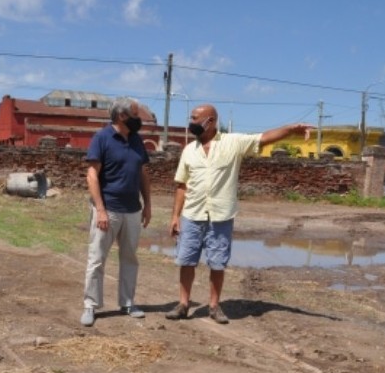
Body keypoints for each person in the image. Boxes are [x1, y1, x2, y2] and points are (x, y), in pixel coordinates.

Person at [165, 104, 312, 324]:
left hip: (220, 216)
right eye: (191, 118)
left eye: (195, 118)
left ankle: (214, 307)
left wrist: (290, 129)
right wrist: (175, 216)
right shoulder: (188, 150)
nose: (191, 122)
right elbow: (181, 186)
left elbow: (263, 138)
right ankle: (183, 304)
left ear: (210, 121)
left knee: (217, 263)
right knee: (186, 261)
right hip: (192, 215)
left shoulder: (233, 143)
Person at [80, 96, 152, 327]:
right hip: (108, 210)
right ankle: (90, 305)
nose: (139, 119)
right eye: (135, 114)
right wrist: (100, 210)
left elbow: (142, 174)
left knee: (130, 258)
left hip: (132, 211)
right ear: (122, 116)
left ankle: (128, 302)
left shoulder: (137, 141)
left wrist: (148, 204)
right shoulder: (101, 138)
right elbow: (92, 175)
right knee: (97, 259)